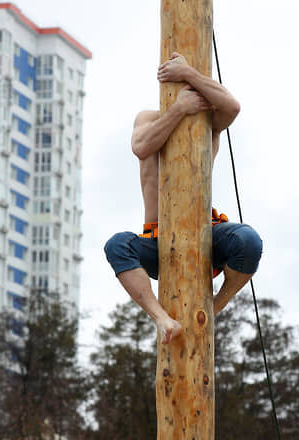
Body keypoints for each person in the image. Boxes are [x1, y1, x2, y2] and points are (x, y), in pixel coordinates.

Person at [104, 52, 263, 344]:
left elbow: (233, 106)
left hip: (205, 229)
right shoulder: (148, 118)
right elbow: (141, 147)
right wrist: (178, 110)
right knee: (117, 245)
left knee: (248, 240)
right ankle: (162, 319)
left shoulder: (209, 121)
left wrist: (189, 72)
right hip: (158, 238)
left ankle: (216, 306)